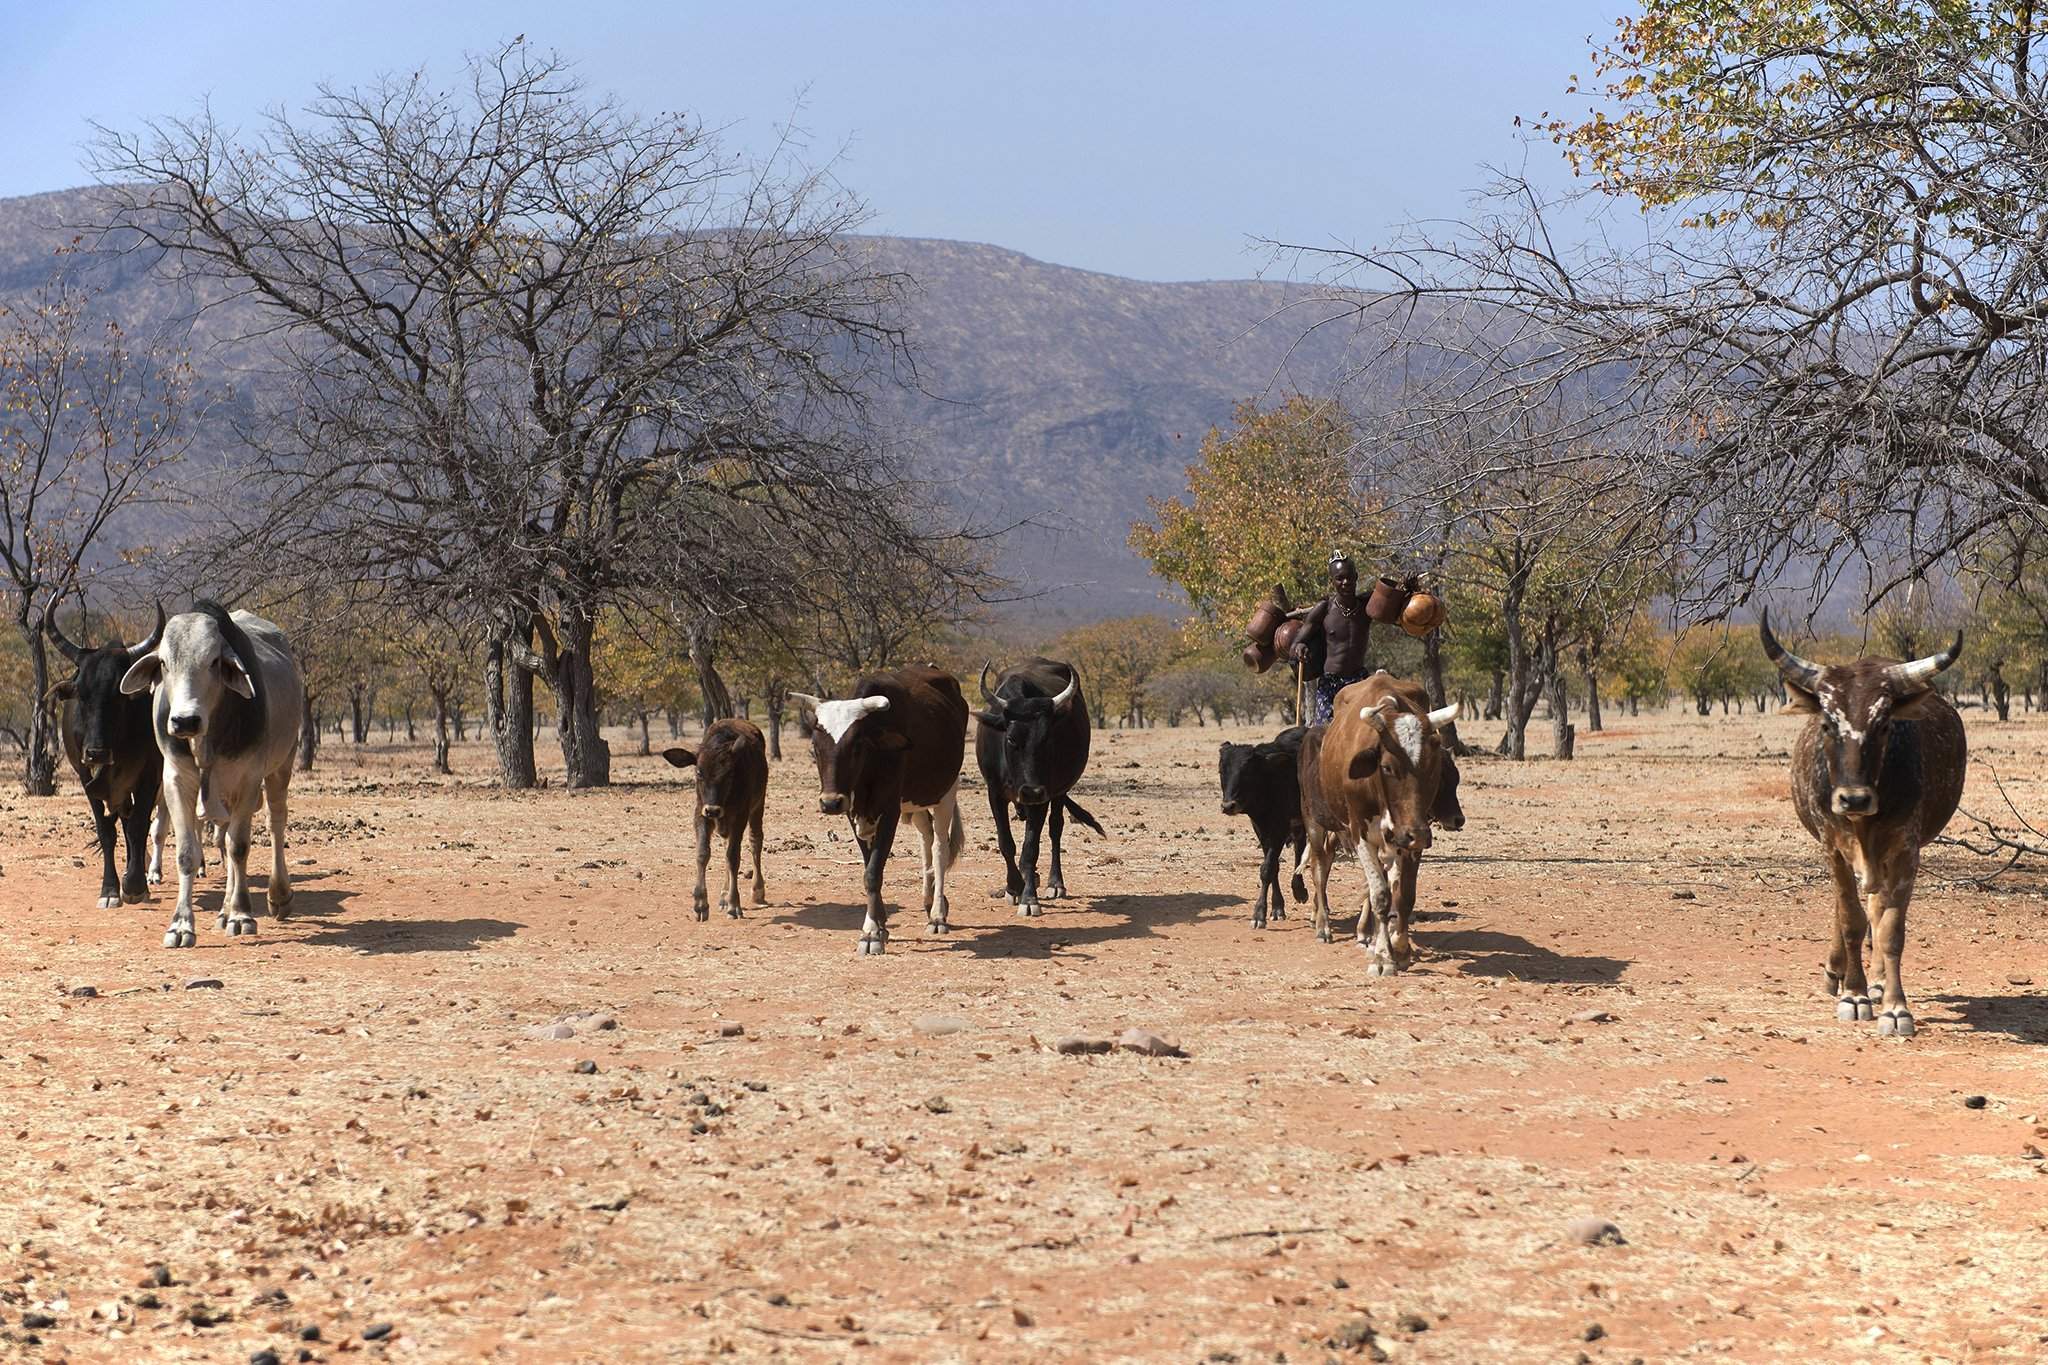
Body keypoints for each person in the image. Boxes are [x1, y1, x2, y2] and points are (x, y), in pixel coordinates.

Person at [1289, 553, 1375, 726]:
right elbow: (1296, 644)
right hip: (1330, 683)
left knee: (1365, 732)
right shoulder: (1324, 609)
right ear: (1332, 581)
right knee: (1324, 736)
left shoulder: (1367, 605)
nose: (1345, 582)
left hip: (1359, 682)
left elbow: (1394, 601)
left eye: (1349, 577)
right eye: (1339, 578)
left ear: (1356, 577)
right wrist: (1300, 648)